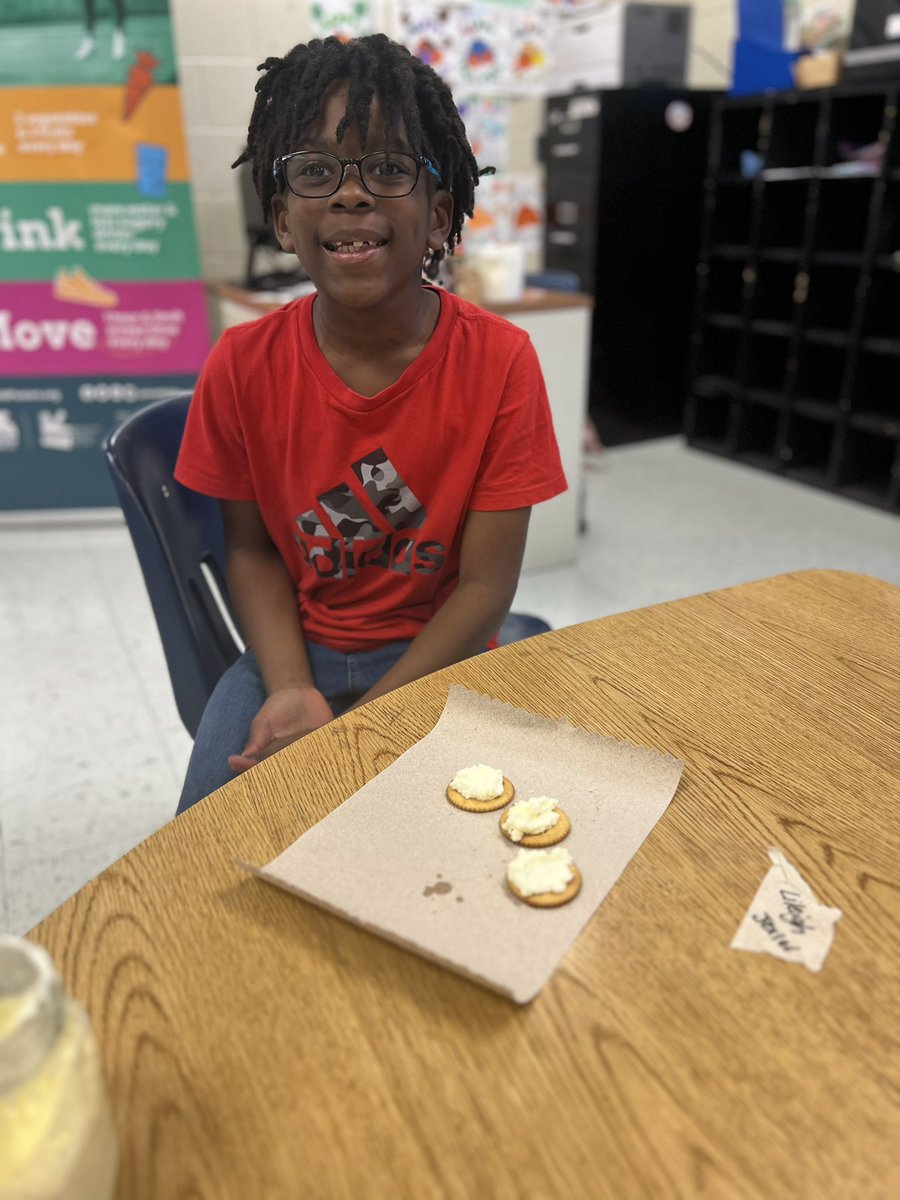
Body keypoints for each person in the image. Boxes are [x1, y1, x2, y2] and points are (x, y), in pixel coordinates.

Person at [174, 33, 566, 812]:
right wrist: (290, 684)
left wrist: (373, 720)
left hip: (443, 654)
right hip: (294, 652)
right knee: (205, 844)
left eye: (388, 168)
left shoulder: (502, 363)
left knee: (506, 831)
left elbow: (487, 586)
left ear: (437, 215)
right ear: (284, 220)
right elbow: (249, 551)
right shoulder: (240, 363)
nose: (350, 194)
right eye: (316, 170)